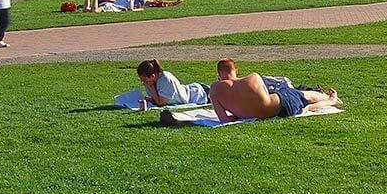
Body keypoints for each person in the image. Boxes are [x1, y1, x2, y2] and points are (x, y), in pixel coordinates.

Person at [207, 59, 340, 122]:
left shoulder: (214, 90)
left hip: (268, 111)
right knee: (303, 97)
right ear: (236, 70)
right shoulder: (252, 78)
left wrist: (239, 113)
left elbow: (224, 120)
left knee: (305, 103)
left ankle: (328, 99)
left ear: (219, 74)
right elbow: (265, 96)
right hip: (281, 105)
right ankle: (330, 99)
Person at [131, 59, 211, 108]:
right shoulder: (151, 81)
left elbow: (161, 103)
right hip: (194, 91)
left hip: (201, 94)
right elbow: (157, 98)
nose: (143, 82)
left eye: (145, 80)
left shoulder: (165, 80)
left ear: (153, 76)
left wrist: (151, 88)